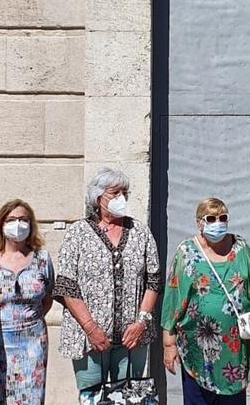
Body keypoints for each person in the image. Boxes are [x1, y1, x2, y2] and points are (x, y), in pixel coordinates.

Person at [54, 168, 162, 400]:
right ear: (98, 197)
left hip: (132, 338)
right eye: (115, 192)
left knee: (130, 398)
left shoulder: (140, 232)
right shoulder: (78, 233)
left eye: (125, 192)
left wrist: (141, 322)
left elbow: (153, 281)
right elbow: (66, 286)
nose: (121, 198)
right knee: (93, 397)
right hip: (90, 339)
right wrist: (91, 328)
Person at [161, 198, 250, 405]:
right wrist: (168, 343)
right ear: (199, 222)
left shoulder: (241, 248)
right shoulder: (186, 252)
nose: (218, 223)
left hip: (234, 349)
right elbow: (173, 297)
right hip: (197, 347)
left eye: (222, 218)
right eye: (211, 218)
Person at [0, 199, 54, 405]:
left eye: (23, 219)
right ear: (1, 225)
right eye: (12, 219)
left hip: (33, 344)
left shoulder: (42, 257)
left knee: (31, 398)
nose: (18, 224)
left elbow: (48, 297)